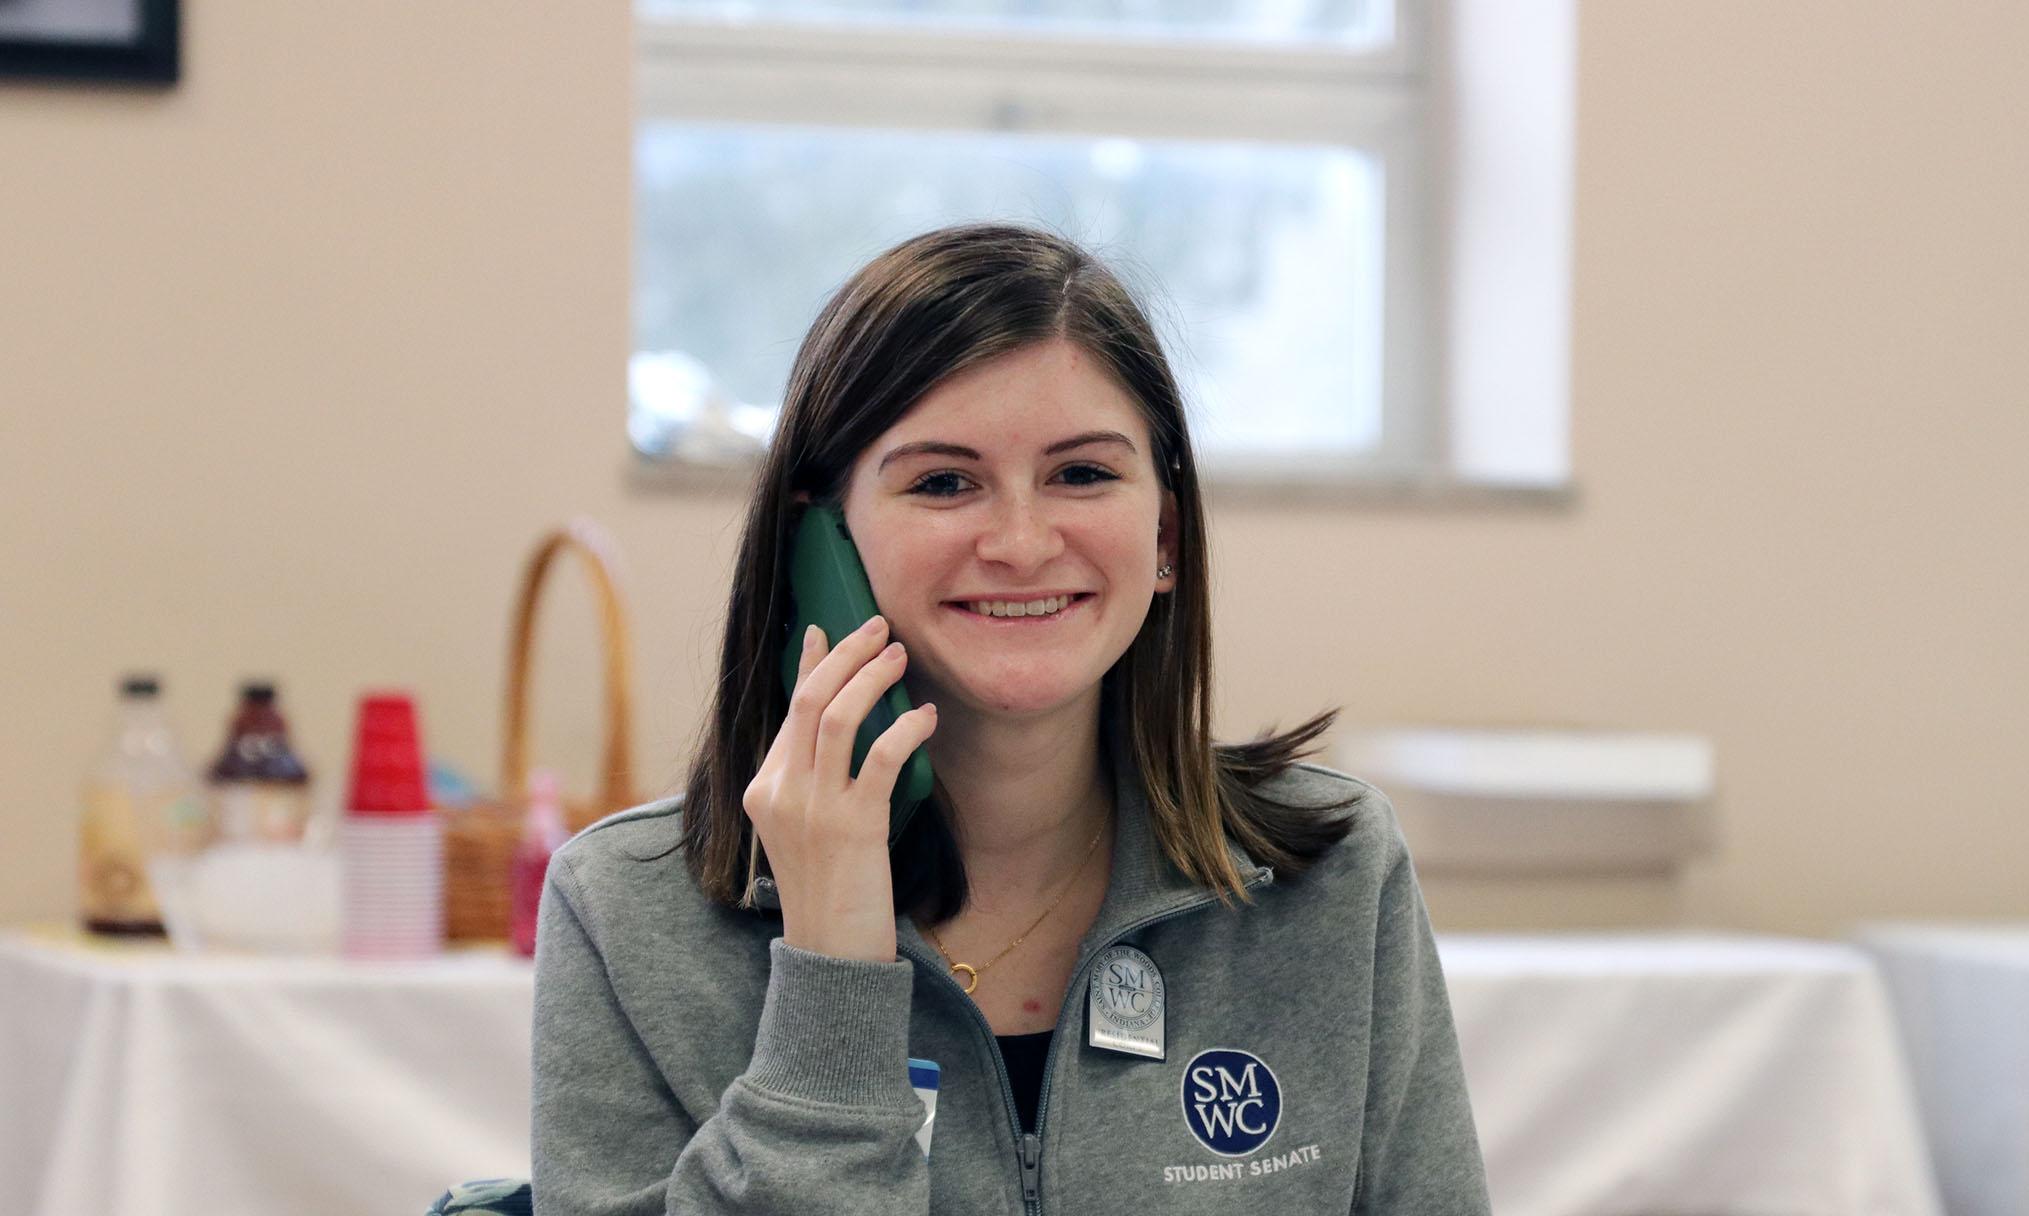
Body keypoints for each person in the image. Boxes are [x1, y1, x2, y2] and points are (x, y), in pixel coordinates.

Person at [529, 223, 1491, 1214]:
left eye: (1081, 474)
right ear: (824, 537)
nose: (1024, 543)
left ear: (1163, 533)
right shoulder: (627, 912)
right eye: (943, 482)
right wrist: (828, 981)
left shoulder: (1331, 875)